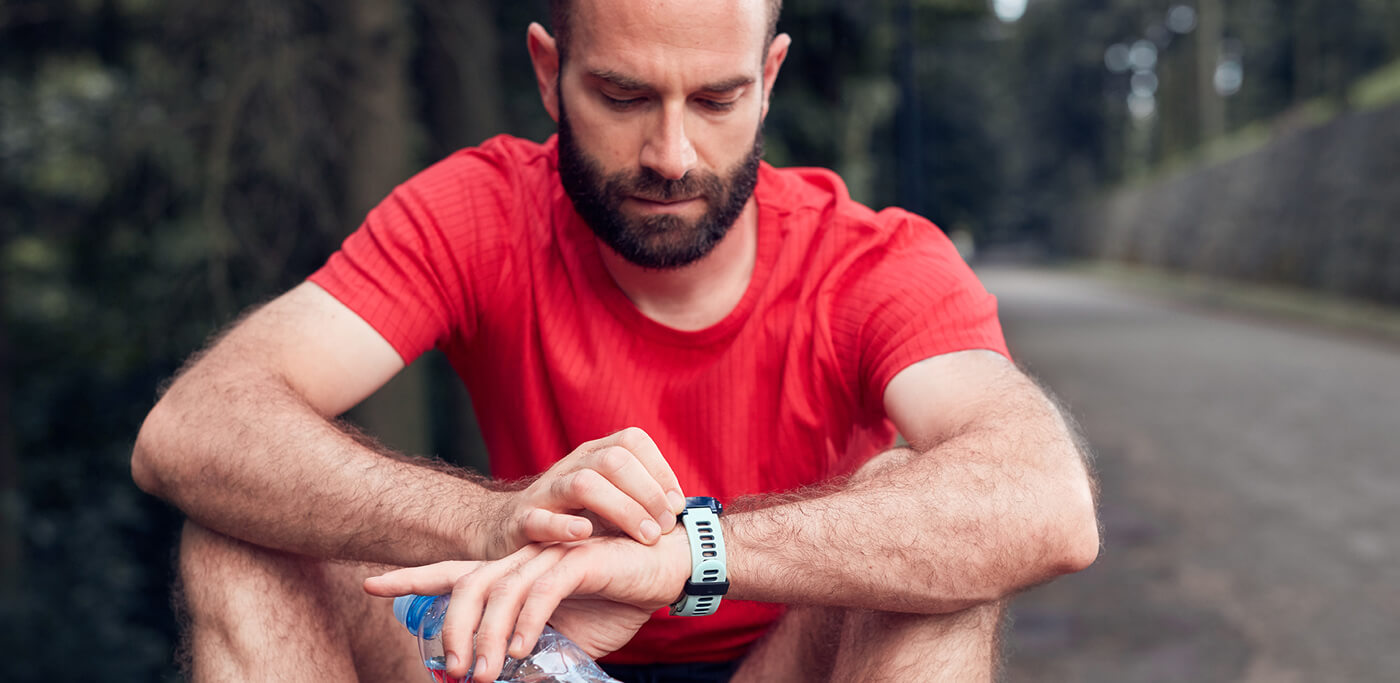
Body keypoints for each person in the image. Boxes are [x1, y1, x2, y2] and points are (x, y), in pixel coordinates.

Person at [131, 0, 1100, 681]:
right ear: (550, 75)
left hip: (785, 662)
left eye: (716, 101)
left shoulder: (872, 261)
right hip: (526, 656)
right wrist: (488, 523)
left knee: (928, 530)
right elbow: (192, 425)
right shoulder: (482, 211)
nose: (671, 156)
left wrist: (691, 553)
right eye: (625, 96)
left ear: (767, 82)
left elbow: (1044, 500)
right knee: (242, 528)